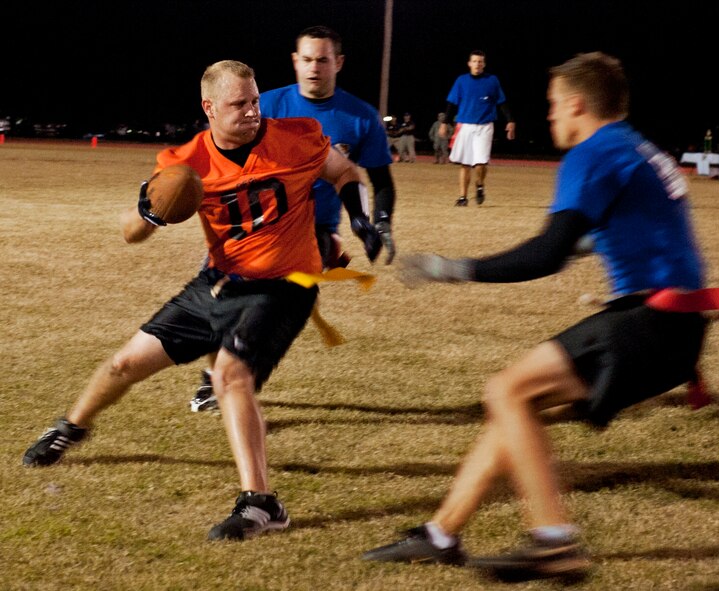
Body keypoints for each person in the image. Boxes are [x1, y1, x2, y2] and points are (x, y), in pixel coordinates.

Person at [362, 52, 719, 581]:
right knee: (517, 406)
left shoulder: (596, 150)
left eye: (554, 105)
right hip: (676, 327)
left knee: (506, 392)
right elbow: (629, 229)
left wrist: (452, 268)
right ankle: (441, 534)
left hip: (652, 320)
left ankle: (554, 541)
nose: (551, 117)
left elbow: (547, 254)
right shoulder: (636, 146)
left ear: (578, 104)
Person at [22, 59, 383, 542]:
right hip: (218, 282)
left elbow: (346, 172)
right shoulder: (185, 161)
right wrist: (153, 207)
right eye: (240, 104)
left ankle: (261, 503)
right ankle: (70, 427)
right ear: (209, 108)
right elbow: (131, 234)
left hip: (284, 283)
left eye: (255, 100)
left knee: (230, 374)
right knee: (125, 363)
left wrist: (361, 219)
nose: (253, 111)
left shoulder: (294, 138)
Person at [189, 25, 398, 413]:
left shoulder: (361, 117)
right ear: (294, 62)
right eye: (306, 59)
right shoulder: (264, 105)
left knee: (265, 311)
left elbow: (380, 181)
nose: (314, 67)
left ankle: (233, 382)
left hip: (310, 231)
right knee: (214, 302)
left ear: (338, 62)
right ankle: (213, 378)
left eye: (322, 59)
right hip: (249, 223)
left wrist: (376, 222)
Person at [440, 50, 516, 206]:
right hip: (465, 125)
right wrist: (444, 123)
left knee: (481, 163)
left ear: (484, 64)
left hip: (485, 126)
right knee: (465, 164)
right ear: (469, 63)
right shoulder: (461, 81)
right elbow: (451, 103)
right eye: (474, 61)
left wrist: (510, 121)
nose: (477, 64)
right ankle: (463, 197)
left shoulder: (492, 80)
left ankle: (480, 184)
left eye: (480, 61)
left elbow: (501, 102)